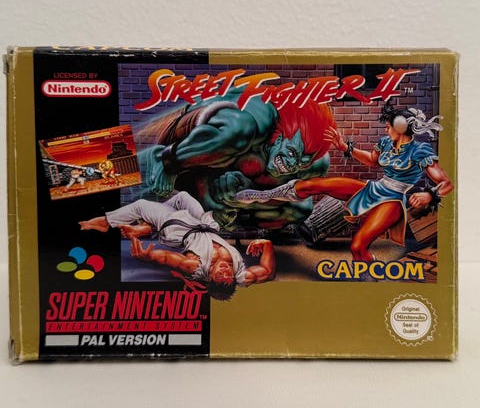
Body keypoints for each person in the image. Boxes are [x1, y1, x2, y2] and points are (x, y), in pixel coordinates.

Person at [235, 104, 454, 262]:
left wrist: (430, 195)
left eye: (389, 126)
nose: (386, 129)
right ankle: (263, 195)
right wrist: (346, 148)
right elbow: (372, 160)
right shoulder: (386, 143)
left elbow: (446, 183)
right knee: (312, 185)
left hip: (394, 200)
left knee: (357, 246)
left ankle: (370, 272)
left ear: (401, 127)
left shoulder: (420, 150)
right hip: (375, 188)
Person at [137, 87, 336, 229]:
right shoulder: (258, 118)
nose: (293, 164)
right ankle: (164, 159)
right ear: (279, 138)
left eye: (302, 162)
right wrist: (171, 161)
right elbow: (230, 132)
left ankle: (228, 214)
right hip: (185, 136)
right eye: (292, 153)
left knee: (301, 207)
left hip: (211, 178)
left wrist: (233, 203)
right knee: (239, 131)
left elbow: (293, 199)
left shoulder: (314, 166)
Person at [79, 192, 275, 300]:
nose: (225, 270)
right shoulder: (240, 275)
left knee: (141, 205)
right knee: (182, 197)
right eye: (228, 275)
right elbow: (267, 272)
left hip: (180, 229)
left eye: (219, 275)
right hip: (205, 223)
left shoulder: (194, 266)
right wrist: (266, 245)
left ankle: (106, 222)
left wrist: (148, 257)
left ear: (209, 277)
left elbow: (168, 259)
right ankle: (147, 227)